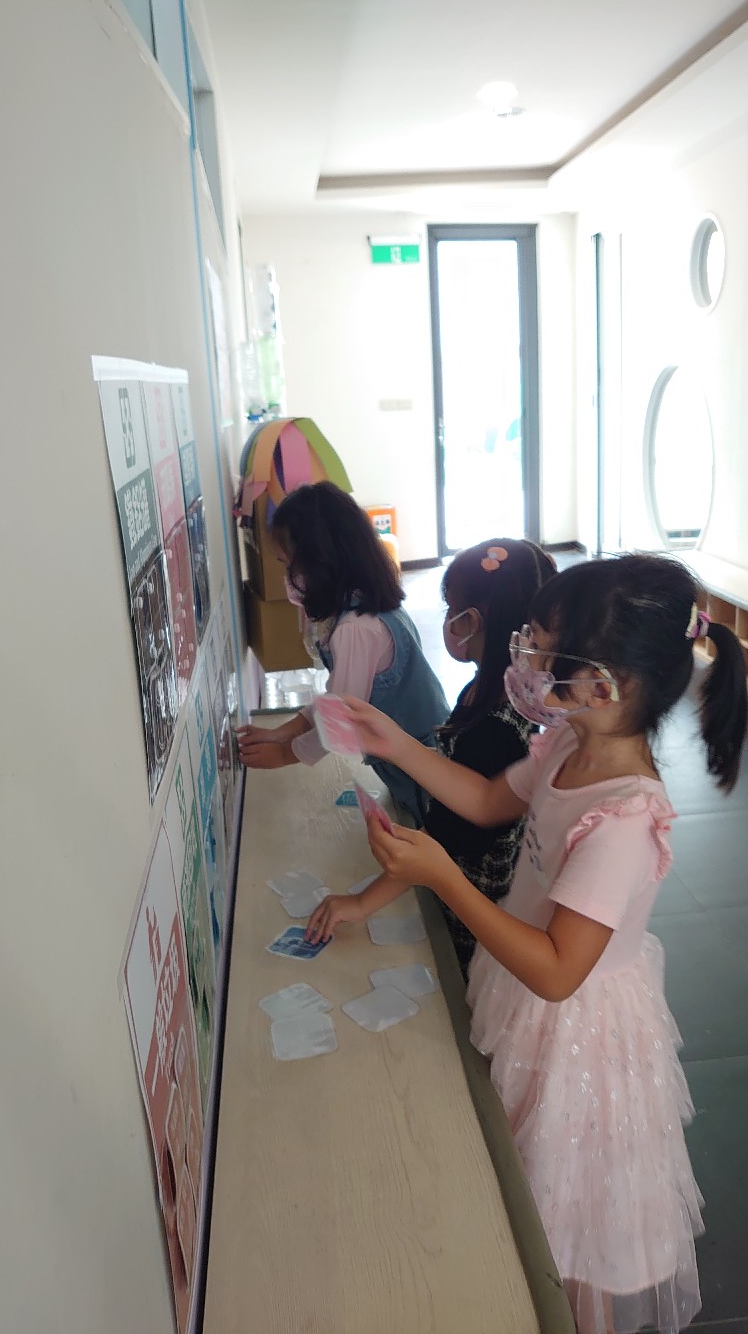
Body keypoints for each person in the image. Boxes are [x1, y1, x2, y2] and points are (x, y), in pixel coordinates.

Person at [343, 553, 747, 1334]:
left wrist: (442, 877)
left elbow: (560, 971)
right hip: (526, 992)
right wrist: (394, 743)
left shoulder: (624, 819)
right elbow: (486, 799)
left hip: (576, 1034)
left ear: (603, 686)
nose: (524, 660)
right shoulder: (567, 743)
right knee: (534, 1184)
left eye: (541, 647)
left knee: (570, 1218)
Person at [305, 537, 557, 974]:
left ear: (470, 620)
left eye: (450, 608)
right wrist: (398, 744)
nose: (446, 620)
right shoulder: (490, 691)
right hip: (470, 879)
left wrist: (362, 902)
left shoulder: (496, 727)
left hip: (473, 907)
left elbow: (448, 835)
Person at [234, 481, 449, 825]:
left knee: (426, 835)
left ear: (321, 562)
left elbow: (340, 721)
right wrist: (281, 732)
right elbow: (339, 696)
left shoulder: (356, 629)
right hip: (418, 756)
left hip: (423, 774)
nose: (287, 578)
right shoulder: (367, 603)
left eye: (289, 565)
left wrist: (284, 754)